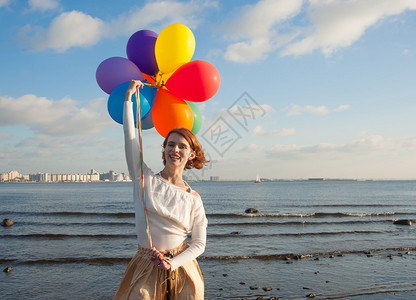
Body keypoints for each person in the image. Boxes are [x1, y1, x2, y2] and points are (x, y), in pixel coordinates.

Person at [114, 80, 208, 300]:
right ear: (164, 149)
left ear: (191, 155)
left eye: (182, 146)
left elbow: (199, 244)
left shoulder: (194, 199)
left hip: (182, 268)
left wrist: (172, 263)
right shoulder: (143, 179)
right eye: (170, 144)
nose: (175, 149)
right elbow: (130, 139)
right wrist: (128, 100)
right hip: (146, 264)